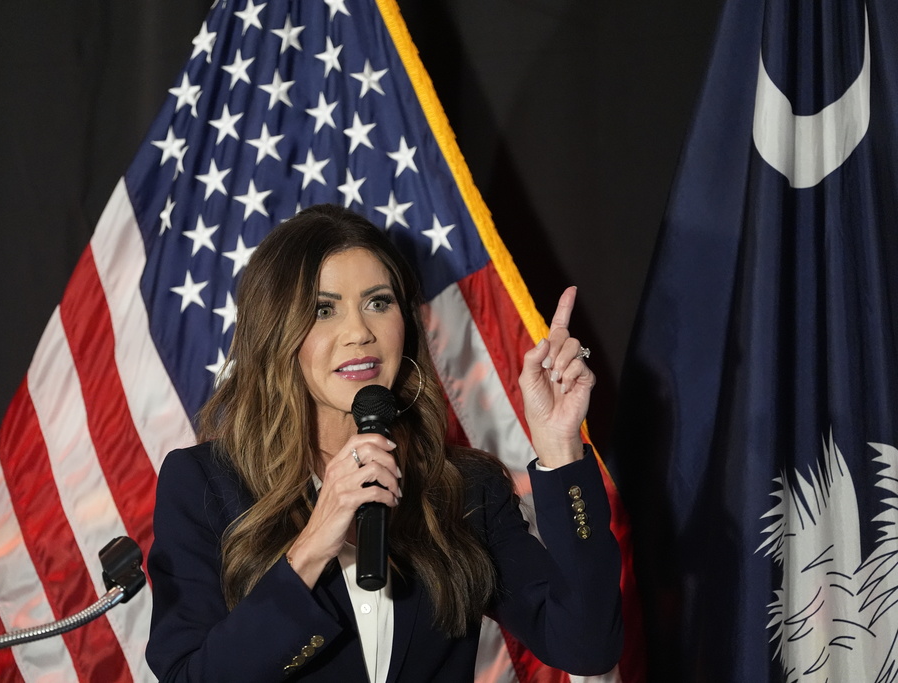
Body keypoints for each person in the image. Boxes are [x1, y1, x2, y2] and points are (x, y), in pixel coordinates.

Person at [146, 204, 623, 682]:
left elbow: (586, 645)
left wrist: (561, 448)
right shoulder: (205, 483)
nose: (360, 333)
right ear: (275, 331)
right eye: (323, 309)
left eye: (378, 302)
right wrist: (312, 545)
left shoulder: (464, 488)